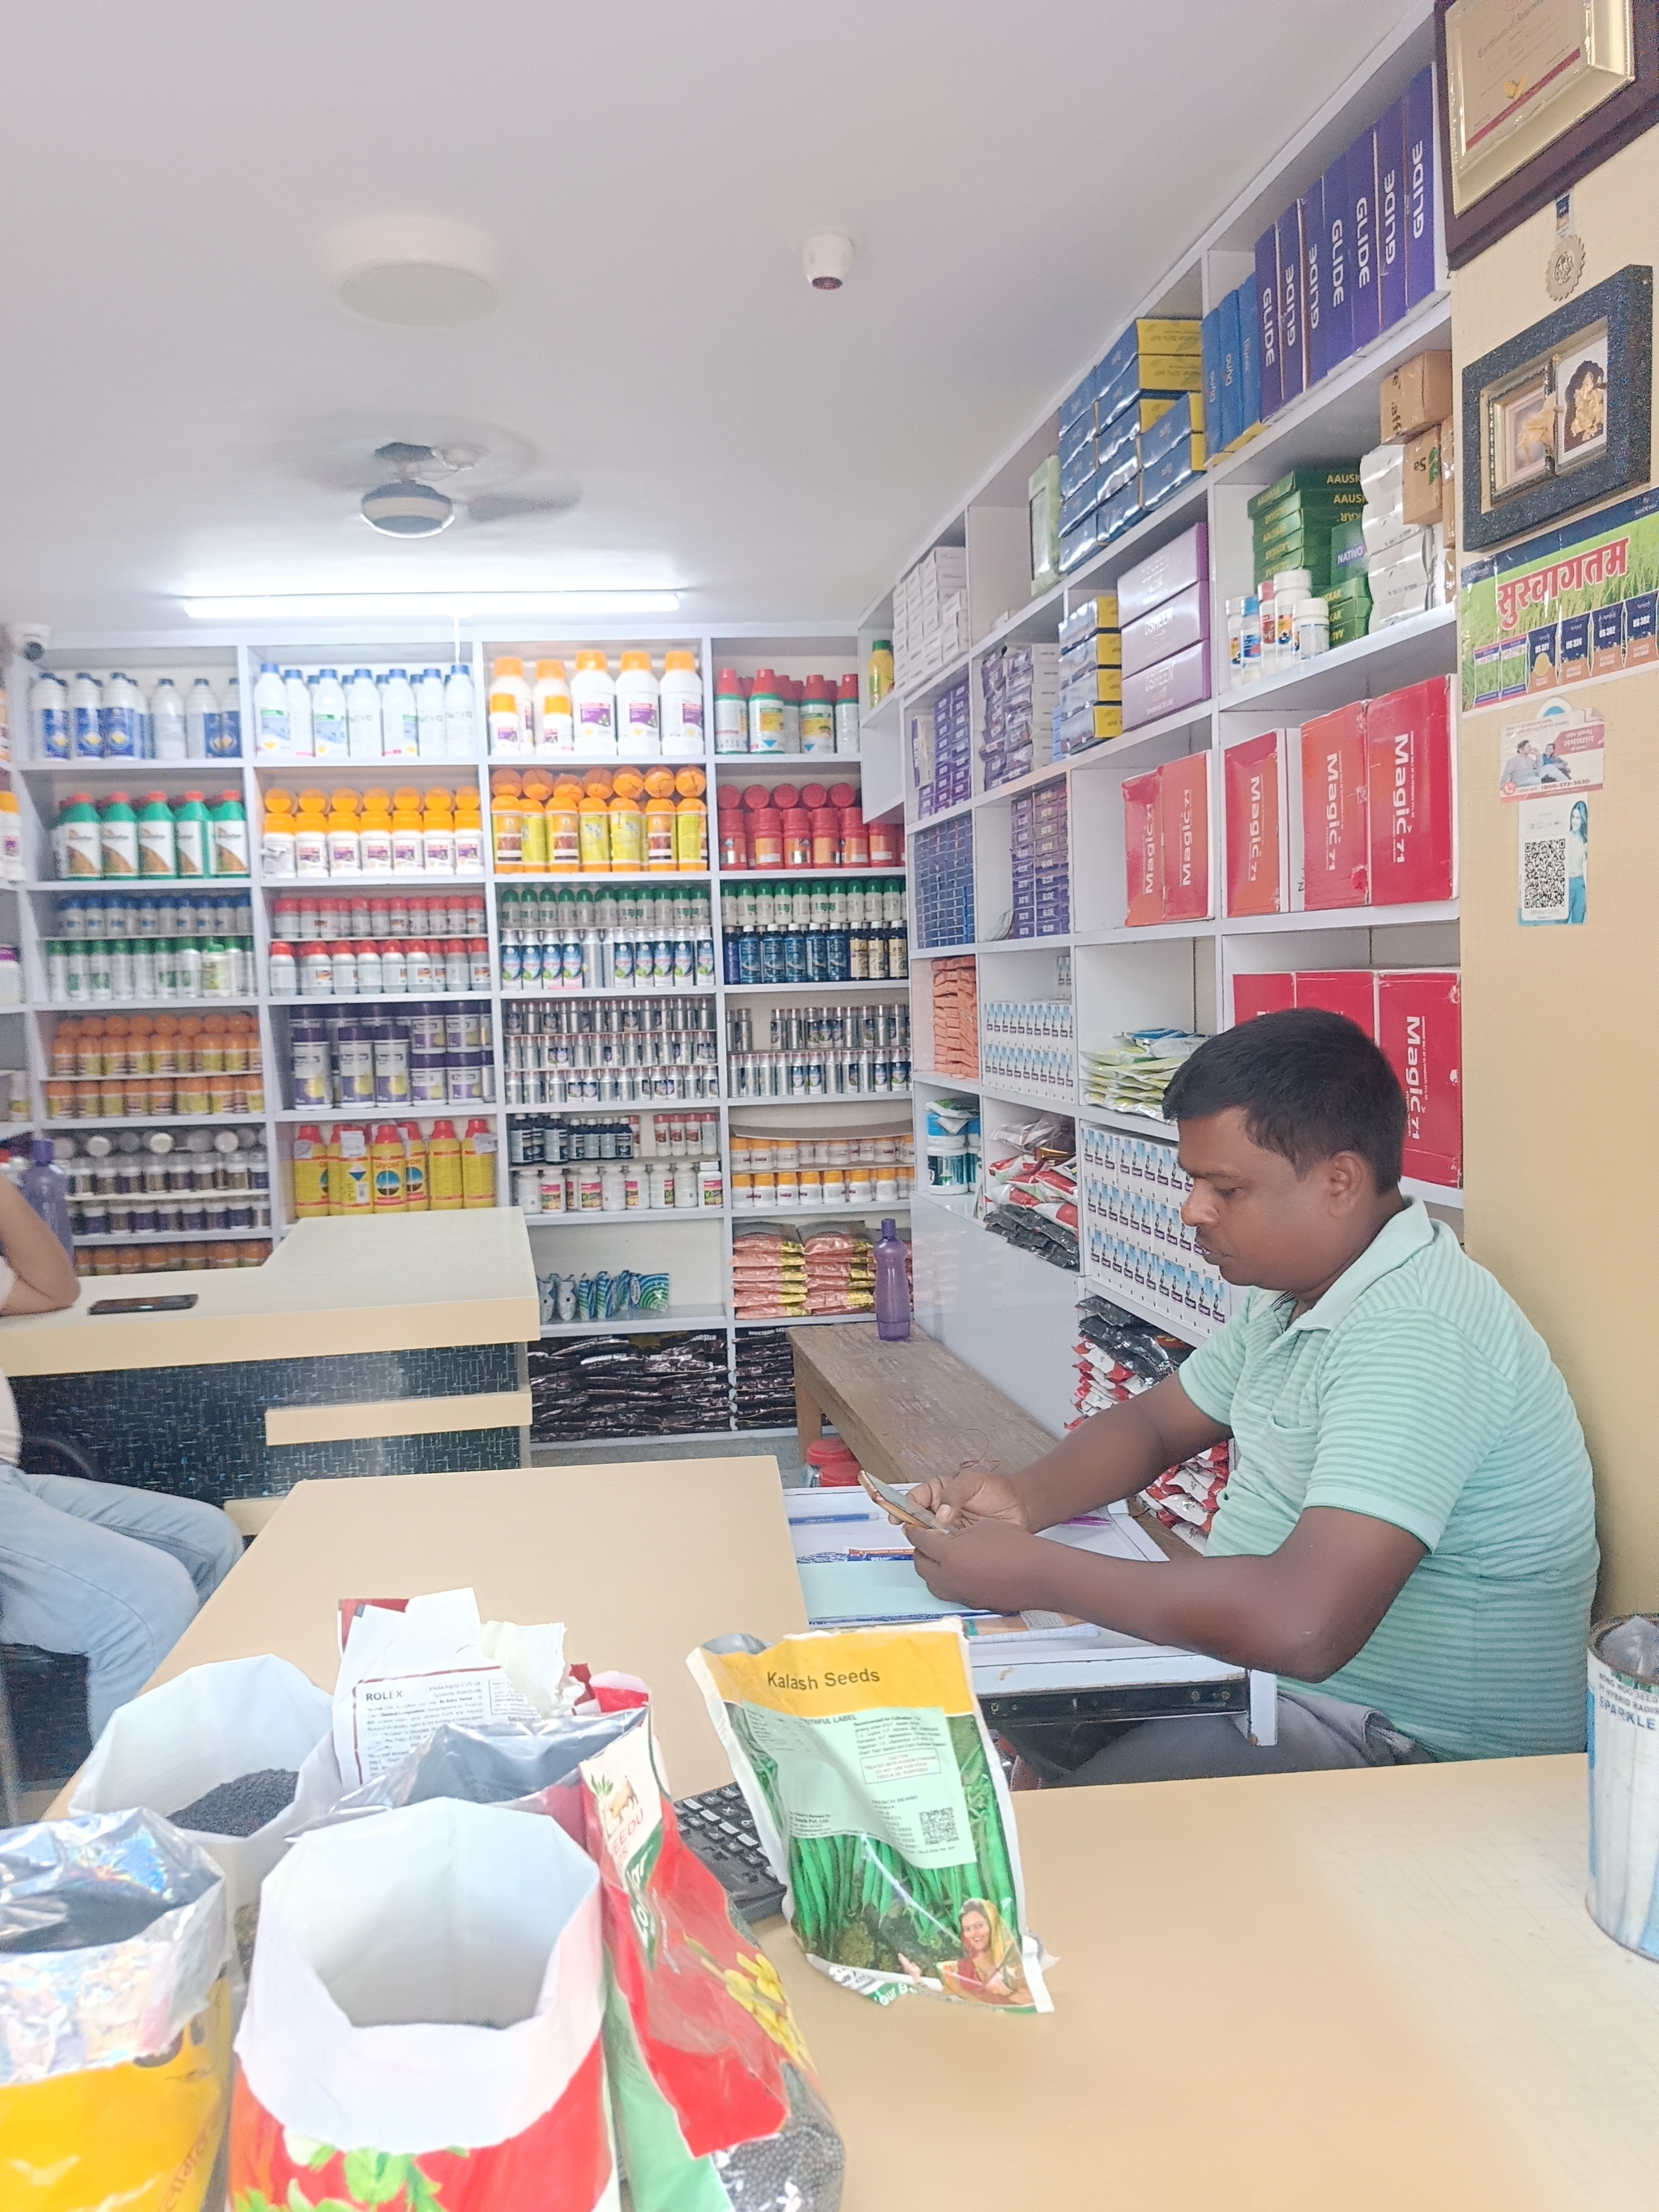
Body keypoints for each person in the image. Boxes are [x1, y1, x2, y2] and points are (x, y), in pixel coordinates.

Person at [902, 1009, 1598, 1785]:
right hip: (1276, 1688)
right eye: (1193, 1181)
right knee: (991, 1720)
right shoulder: (1300, 1294)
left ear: (1339, 1182)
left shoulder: (1417, 1333)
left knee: (1071, 1823)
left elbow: (1305, 1625)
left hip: (1417, 1755)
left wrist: (1038, 1571)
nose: (1193, 1209)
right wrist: (1025, 1501)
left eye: (1226, 1188)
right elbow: (1157, 1424)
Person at [0, 1176, 242, 1739]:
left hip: (11, 1483)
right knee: (147, 1596)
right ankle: (135, 1798)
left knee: (207, 1540)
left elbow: (55, 1289)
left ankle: (210, 1761)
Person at [898, 1897, 1026, 2005]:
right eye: (968, 1929)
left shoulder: (1014, 1964)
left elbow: (1032, 2005)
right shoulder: (956, 1971)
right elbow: (943, 2005)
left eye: (979, 1926)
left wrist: (1004, 1991)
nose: (974, 1934)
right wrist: (916, 1978)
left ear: (993, 1925)